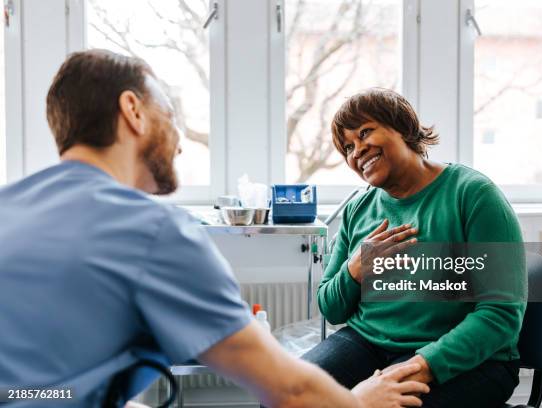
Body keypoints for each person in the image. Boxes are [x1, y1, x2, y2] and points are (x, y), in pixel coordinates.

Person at [0, 51, 430, 407]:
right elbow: (288, 389)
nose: (180, 140)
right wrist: (361, 402)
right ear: (132, 110)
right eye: (170, 115)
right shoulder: (151, 229)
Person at [303, 88, 526, 408]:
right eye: (348, 147)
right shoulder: (358, 209)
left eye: (365, 132)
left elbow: (500, 315)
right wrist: (355, 268)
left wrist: (413, 370)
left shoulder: (474, 194)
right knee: (285, 396)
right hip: (368, 343)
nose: (357, 151)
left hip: (472, 360)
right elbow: (331, 308)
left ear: (402, 127)